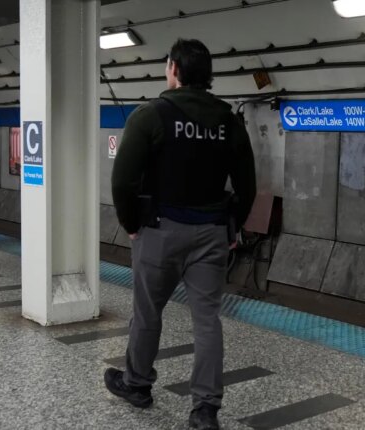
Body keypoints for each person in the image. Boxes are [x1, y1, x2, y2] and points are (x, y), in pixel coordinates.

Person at [104, 38, 256, 430]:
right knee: (207, 319)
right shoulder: (229, 120)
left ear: (173, 68)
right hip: (210, 234)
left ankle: (137, 384)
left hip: (159, 231)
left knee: (148, 311)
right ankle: (205, 409)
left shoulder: (151, 115)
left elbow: (122, 181)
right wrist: (232, 226)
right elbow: (247, 186)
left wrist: (132, 223)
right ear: (207, 77)